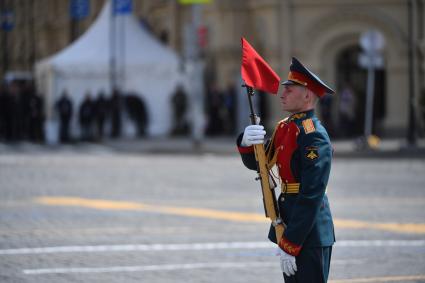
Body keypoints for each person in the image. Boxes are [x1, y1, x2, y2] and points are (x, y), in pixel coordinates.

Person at [237, 57, 335, 282]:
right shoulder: (285, 127)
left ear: (308, 95)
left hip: (308, 233)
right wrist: (246, 143)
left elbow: (312, 193)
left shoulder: (313, 134)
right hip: (289, 223)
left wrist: (292, 242)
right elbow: (260, 165)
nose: (283, 94)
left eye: (290, 89)